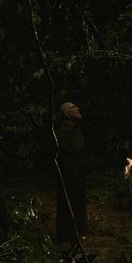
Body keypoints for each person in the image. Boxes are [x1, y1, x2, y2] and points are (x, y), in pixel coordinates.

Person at [54, 101, 89, 243]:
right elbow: (62, 154)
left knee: (79, 202)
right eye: (73, 108)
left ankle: (79, 231)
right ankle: (65, 235)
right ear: (66, 113)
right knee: (66, 203)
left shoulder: (76, 129)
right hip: (68, 175)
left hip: (79, 173)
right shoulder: (62, 132)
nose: (77, 108)